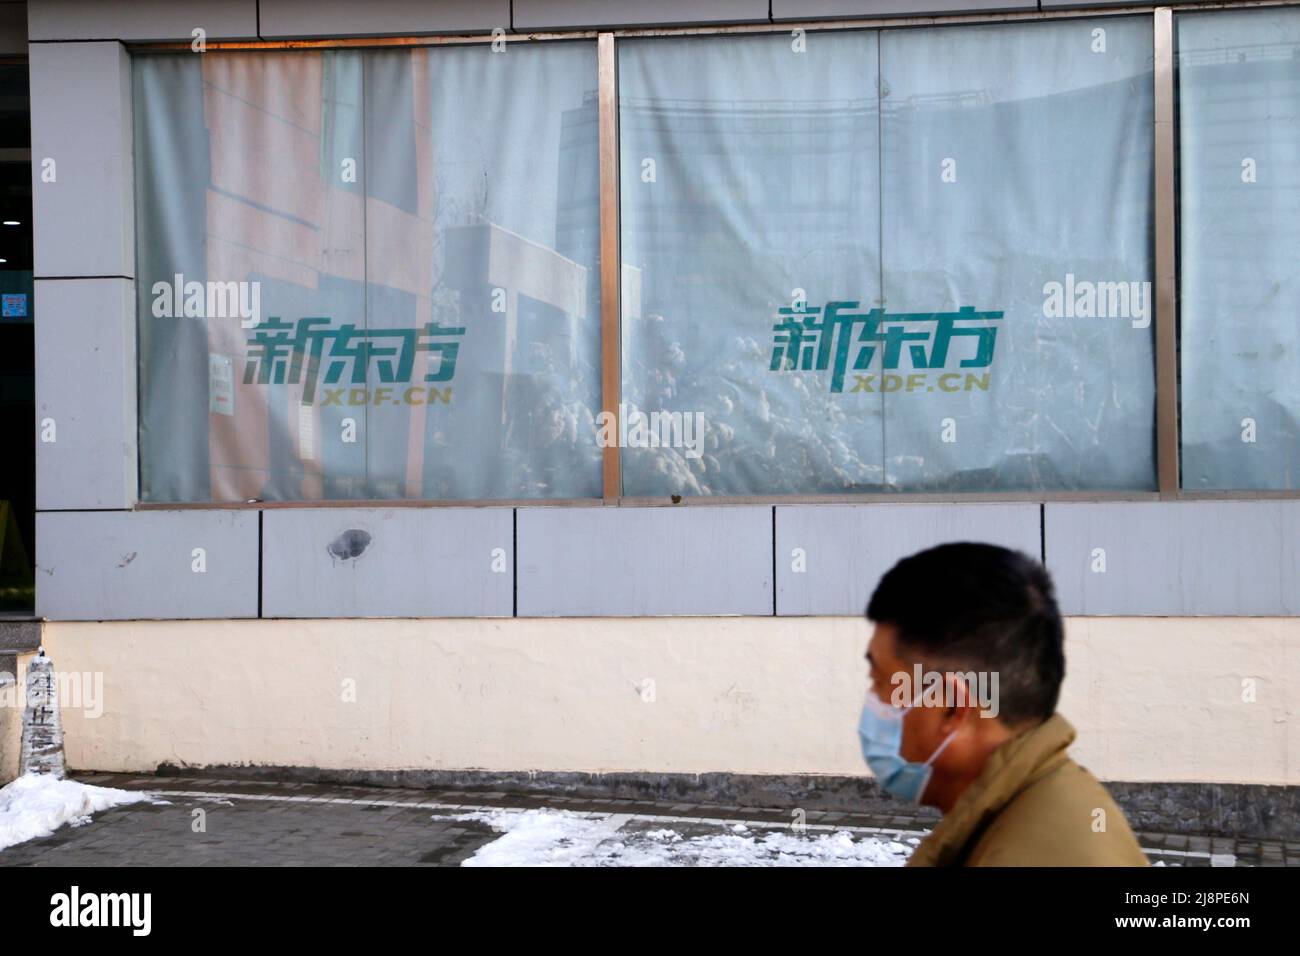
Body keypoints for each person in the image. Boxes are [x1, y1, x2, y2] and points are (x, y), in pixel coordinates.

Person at [860, 542, 1148, 866]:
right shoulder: (1030, 811)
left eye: (881, 681)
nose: (872, 700)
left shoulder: (1030, 855)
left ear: (953, 708)